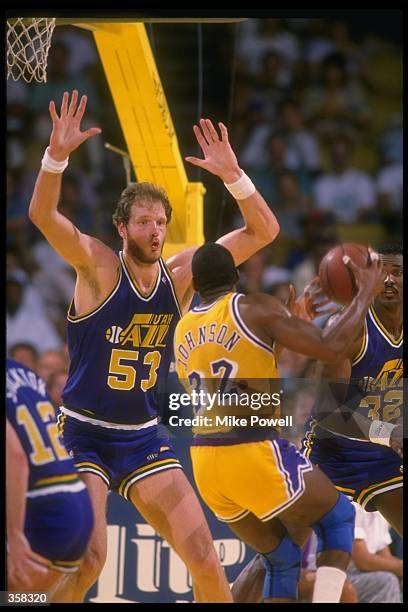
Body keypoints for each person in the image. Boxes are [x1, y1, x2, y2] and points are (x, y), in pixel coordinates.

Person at [27, 89, 280, 603]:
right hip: (84, 433)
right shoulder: (98, 267)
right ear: (122, 228)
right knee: (90, 559)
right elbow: (42, 216)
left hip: (142, 436)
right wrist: (56, 156)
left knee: (207, 560)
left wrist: (234, 175)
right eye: (143, 221)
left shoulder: (181, 274)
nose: (155, 230)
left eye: (161, 222)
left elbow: (264, 230)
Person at [174, 241, 383, 602]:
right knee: (337, 516)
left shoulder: (184, 328)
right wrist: (364, 295)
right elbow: (331, 347)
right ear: (237, 277)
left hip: (205, 461)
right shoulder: (252, 306)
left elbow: (238, 367)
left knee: (282, 557)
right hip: (251, 449)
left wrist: (286, 330)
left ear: (195, 282)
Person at [304, 243, 403, 536]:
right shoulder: (351, 328)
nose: (388, 280)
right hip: (331, 448)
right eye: (382, 272)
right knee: (283, 553)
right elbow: (329, 412)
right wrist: (390, 434)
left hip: (382, 454)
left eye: (397, 272)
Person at [6, 358, 94, 599]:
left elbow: (16, 458)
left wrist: (14, 536)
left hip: (43, 510)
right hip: (77, 502)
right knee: (29, 600)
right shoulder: (23, 371)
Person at [347, 502, 402, 603]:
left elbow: (385, 556)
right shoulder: (352, 506)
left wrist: (398, 567)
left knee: (392, 576)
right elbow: (363, 561)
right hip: (343, 573)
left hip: (361, 573)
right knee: (387, 580)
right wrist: (399, 566)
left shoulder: (379, 512)